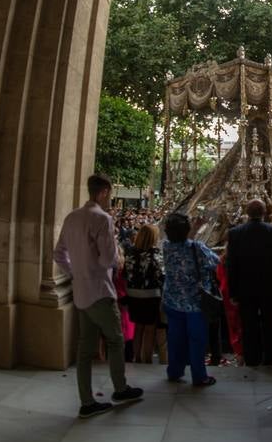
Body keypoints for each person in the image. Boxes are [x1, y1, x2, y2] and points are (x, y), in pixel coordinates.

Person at [54, 174, 144, 417]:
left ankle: (87, 401)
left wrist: (76, 272)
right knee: (115, 339)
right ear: (103, 192)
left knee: (85, 349)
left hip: (81, 291)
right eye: (110, 193)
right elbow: (108, 259)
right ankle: (120, 387)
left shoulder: (72, 217)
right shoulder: (102, 219)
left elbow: (59, 254)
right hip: (100, 291)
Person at [161, 211, 219, 387]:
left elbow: (182, 243)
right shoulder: (198, 248)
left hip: (172, 300)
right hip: (195, 303)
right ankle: (199, 376)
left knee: (175, 339)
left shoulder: (166, 247)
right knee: (197, 340)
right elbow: (215, 261)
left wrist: (192, 230)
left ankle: (174, 371)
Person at [225, 198, 272, 367]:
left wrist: (233, 291)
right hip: (268, 287)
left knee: (249, 324)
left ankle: (252, 358)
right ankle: (271, 358)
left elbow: (232, 264)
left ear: (247, 213)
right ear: (264, 213)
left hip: (245, 289)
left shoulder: (235, 233)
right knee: (270, 323)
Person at [123, 223, 164, 363]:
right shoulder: (156, 254)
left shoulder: (130, 253)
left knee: (138, 328)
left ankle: (137, 358)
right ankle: (147, 359)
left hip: (133, 295)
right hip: (151, 295)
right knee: (150, 329)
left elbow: (125, 274)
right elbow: (161, 275)